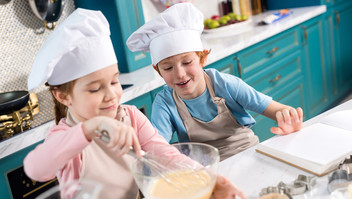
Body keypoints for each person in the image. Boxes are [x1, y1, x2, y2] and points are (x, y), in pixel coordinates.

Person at [24, 8, 246, 199]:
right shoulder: (65, 135)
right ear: (63, 97)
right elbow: (36, 168)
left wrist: (210, 180)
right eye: (95, 88)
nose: (111, 94)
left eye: (114, 81)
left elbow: (166, 156)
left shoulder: (130, 117)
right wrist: (89, 128)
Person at [126, 3, 303, 160]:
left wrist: (289, 118)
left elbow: (278, 110)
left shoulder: (225, 84)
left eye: (187, 63)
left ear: (202, 59)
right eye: (167, 68)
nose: (179, 74)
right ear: (158, 71)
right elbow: (158, 147)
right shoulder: (164, 103)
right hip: (203, 170)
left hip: (246, 155)